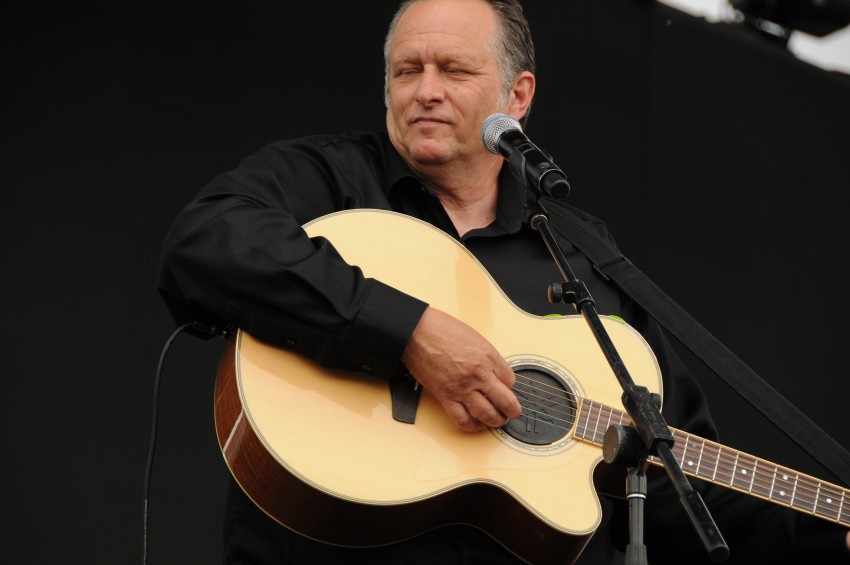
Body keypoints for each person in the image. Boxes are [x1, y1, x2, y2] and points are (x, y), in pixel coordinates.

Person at [157, 0, 850, 563]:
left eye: (454, 69)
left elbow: (676, 482)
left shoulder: (582, 257)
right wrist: (408, 332)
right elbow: (205, 243)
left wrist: (829, 533)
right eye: (406, 71)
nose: (425, 90)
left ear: (517, 96)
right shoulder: (326, 181)